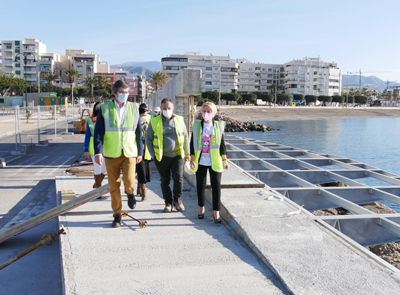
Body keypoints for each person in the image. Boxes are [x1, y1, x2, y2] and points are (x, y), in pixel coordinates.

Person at [93, 80, 143, 228]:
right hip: (111, 153)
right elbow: (98, 132)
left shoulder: (134, 108)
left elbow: (139, 132)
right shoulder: (105, 108)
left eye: (126, 93)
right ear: (114, 93)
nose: (124, 95)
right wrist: (98, 152)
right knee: (114, 186)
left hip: (129, 152)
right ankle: (117, 215)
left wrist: (140, 151)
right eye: (122, 93)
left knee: (128, 180)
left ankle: (130, 193)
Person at [146, 98, 189, 213]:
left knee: (178, 178)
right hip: (162, 156)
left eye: (169, 108)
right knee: (165, 180)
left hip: (177, 155)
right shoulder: (154, 122)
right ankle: (168, 202)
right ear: (161, 109)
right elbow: (148, 139)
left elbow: (185, 137)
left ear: (173, 108)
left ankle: (177, 200)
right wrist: (153, 156)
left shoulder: (180, 120)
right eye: (164, 108)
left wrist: (188, 154)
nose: (167, 110)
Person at [190, 102, 228, 223]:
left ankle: (216, 212)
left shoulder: (218, 126)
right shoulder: (196, 126)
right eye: (204, 111)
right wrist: (191, 159)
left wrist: (225, 160)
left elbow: (222, 145)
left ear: (213, 113)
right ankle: (201, 208)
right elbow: (192, 144)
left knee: (216, 187)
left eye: (209, 111)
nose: (206, 113)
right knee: (200, 186)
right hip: (200, 160)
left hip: (215, 161)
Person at [84, 102, 107, 197]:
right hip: (94, 147)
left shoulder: (106, 119)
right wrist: (86, 149)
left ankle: (97, 184)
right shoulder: (89, 120)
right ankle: (98, 191)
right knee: (97, 168)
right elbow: (87, 136)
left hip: (106, 146)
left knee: (104, 170)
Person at [136, 105, 152, 200]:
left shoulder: (148, 123)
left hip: (147, 151)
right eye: (143, 115)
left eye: (145, 115)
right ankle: (143, 191)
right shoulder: (135, 123)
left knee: (144, 170)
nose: (145, 117)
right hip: (138, 151)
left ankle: (139, 187)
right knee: (141, 170)